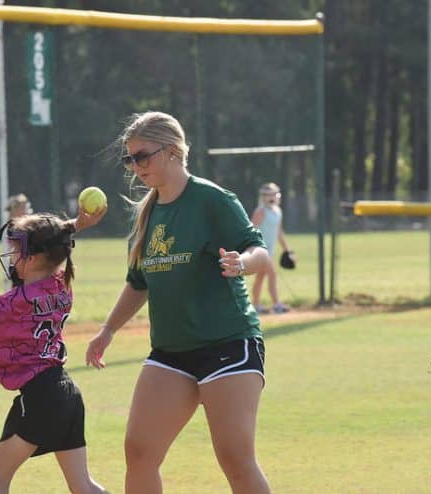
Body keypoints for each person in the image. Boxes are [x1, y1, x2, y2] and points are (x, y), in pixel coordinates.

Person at [85, 111, 272, 494]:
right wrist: (108, 330)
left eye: (142, 156)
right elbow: (138, 283)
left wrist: (242, 263)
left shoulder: (211, 200)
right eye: (129, 159)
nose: (135, 166)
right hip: (171, 352)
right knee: (139, 452)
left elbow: (261, 253)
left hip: (228, 345)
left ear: (172, 152)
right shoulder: (146, 214)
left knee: (235, 459)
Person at [0, 208, 108, 494]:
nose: (12, 256)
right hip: (67, 394)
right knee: (83, 486)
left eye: (16, 250)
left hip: (40, 398)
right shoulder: (61, 285)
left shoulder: (16, 300)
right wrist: (76, 224)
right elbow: (55, 242)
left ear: (36, 257)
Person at [250, 182, 294, 314]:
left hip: (270, 250)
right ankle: (277, 305)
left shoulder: (277, 211)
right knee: (272, 274)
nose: (270, 197)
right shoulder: (260, 212)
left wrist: (288, 250)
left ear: (277, 195)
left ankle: (256, 305)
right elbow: (251, 231)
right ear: (262, 197)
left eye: (273, 194)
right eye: (267, 195)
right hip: (260, 249)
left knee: (261, 276)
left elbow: (279, 232)